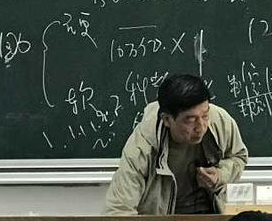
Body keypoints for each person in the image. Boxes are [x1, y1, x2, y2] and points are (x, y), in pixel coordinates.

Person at [104, 74, 248, 215]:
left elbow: (238, 156)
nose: (201, 127)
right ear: (167, 119)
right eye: (190, 120)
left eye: (205, 115)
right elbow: (119, 210)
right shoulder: (142, 146)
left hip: (211, 214)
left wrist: (220, 175)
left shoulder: (220, 121)